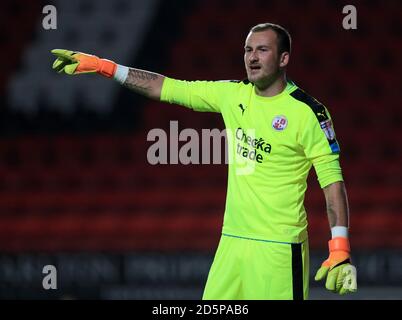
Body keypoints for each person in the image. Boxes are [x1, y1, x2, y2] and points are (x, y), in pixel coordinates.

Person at [50, 22, 357, 300]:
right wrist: (106, 67)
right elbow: (166, 87)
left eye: (262, 50)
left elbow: (332, 184)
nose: (252, 57)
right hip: (231, 245)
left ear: (284, 58)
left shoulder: (308, 112)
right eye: (248, 49)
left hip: (278, 250)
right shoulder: (232, 95)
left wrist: (339, 246)